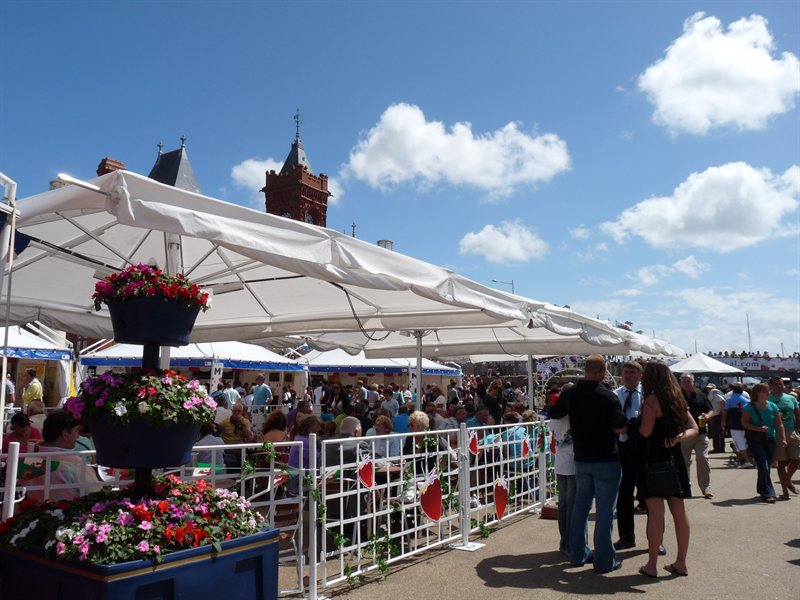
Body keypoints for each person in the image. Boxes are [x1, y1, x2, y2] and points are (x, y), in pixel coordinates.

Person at [548, 355, 627, 574]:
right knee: (604, 511)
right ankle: (604, 561)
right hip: (605, 459)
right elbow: (620, 426)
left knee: (580, 508)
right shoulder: (608, 396)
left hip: (581, 459)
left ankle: (577, 554)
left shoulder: (571, 393)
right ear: (602, 371)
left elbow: (554, 412)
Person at [637, 361, 698, 579]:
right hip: (675, 459)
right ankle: (681, 561)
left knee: (655, 512)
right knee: (679, 512)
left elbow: (645, 431)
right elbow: (694, 428)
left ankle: (652, 564)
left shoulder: (652, 399)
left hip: (654, 458)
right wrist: (677, 438)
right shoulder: (678, 398)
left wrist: (635, 421)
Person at [28, 410, 99, 501]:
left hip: (33, 513)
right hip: (67, 513)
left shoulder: (29, 461)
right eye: (76, 431)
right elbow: (95, 495)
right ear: (65, 434)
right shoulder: (76, 464)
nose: (77, 436)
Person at [613, 361, 643, 550]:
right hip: (622, 449)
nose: (629, 376)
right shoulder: (615, 396)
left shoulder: (648, 396)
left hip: (643, 449)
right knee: (624, 496)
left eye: (633, 372)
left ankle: (657, 541)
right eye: (626, 372)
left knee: (649, 497)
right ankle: (626, 538)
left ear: (640, 376)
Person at [742, 383, 786, 503]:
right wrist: (759, 429)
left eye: (768, 391)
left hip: (770, 440)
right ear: (757, 393)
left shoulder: (772, 406)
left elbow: (779, 424)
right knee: (763, 466)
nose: (768, 393)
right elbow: (744, 423)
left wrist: (783, 438)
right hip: (755, 440)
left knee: (766, 467)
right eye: (765, 391)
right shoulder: (749, 407)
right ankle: (768, 493)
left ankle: (762, 489)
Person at [549, 383, 575, 557]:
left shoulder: (553, 416)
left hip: (560, 461)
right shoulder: (571, 415)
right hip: (573, 462)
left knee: (564, 504)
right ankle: (570, 542)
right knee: (572, 505)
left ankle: (564, 541)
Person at [679, 373, 715, 499]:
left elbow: (711, 411)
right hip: (684, 434)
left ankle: (706, 488)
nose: (687, 383)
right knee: (684, 462)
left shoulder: (700, 395)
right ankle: (685, 487)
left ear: (693, 383)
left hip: (700, 432)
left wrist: (707, 416)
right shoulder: (677, 396)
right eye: (684, 381)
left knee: (702, 458)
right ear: (680, 382)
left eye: (689, 381)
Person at [768, 377, 800, 498]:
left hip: (792, 431)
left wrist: (797, 428)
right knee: (781, 462)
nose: (779, 386)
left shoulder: (791, 398)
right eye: (776, 384)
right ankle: (784, 490)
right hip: (776, 433)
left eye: (781, 384)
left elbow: (797, 414)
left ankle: (787, 480)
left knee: (796, 459)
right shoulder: (768, 399)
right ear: (771, 386)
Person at [722, 383, 750, 466]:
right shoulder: (747, 400)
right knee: (741, 442)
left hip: (734, 423)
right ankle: (737, 460)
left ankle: (747, 461)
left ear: (733, 390)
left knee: (739, 442)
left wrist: (723, 421)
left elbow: (725, 412)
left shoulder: (729, 400)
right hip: (745, 423)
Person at [705, 384, 727, 453]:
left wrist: (723, 409)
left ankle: (718, 448)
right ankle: (720, 448)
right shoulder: (712, 394)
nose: (709, 389)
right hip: (715, 415)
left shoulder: (715, 394)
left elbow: (723, 401)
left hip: (717, 415)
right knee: (718, 432)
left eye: (710, 388)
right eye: (708, 388)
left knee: (716, 432)